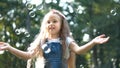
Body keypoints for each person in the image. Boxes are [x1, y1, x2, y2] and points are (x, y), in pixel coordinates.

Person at [0, 9, 109, 68]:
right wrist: (9, 48)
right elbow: (28, 56)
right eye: (48, 22)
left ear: (61, 24)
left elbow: (79, 50)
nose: (51, 24)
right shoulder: (42, 40)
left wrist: (93, 42)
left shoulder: (66, 40)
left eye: (54, 21)